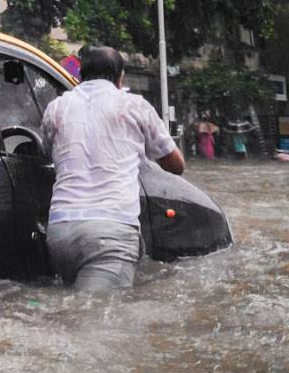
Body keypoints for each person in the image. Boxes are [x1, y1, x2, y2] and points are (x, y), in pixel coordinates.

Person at [41, 46, 185, 291]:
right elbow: (175, 165)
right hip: (110, 234)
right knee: (97, 319)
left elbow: (46, 153)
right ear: (121, 78)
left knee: (73, 313)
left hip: (60, 232)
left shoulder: (56, 108)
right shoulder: (133, 106)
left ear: (80, 75)